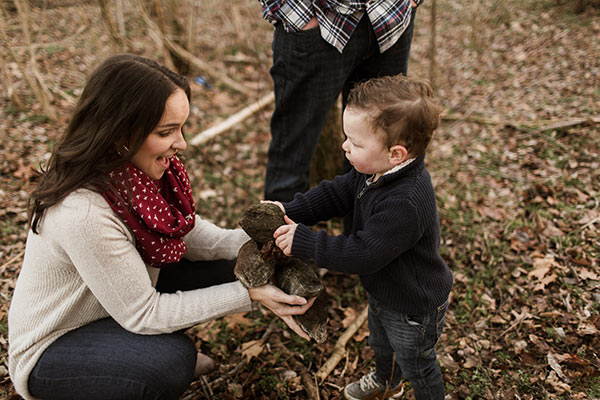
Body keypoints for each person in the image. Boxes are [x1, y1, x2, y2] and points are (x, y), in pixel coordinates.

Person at [8, 53, 314, 400]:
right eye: (166, 131)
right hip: (55, 347)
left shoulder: (135, 173)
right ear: (121, 132)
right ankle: (118, 369)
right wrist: (249, 295)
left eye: (181, 128)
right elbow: (142, 313)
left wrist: (266, 240)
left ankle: (129, 355)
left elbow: (187, 234)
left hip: (111, 309)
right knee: (169, 362)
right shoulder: (82, 211)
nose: (181, 143)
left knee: (234, 266)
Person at [269, 75, 453, 400]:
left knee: (418, 364)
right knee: (381, 344)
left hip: (412, 306)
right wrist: (291, 209)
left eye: (354, 142)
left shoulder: (405, 201)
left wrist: (306, 242)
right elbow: (336, 193)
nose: (344, 146)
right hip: (384, 292)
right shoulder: (373, 170)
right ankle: (387, 379)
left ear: (396, 153)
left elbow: (364, 252)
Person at [259, 0, 422, 203]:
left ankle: (363, 233)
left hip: (391, 14)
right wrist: (295, 14)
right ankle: (279, 234)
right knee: (291, 156)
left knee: (380, 156)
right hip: (319, 21)